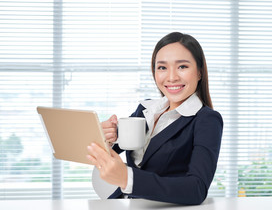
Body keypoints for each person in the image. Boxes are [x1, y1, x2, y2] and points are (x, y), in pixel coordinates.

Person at [86, 32, 223, 205]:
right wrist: (106, 138)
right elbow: (110, 149)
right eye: (162, 67)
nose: (171, 77)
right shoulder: (146, 110)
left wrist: (127, 178)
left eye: (182, 66)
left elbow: (196, 188)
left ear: (199, 73)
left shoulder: (207, 120)